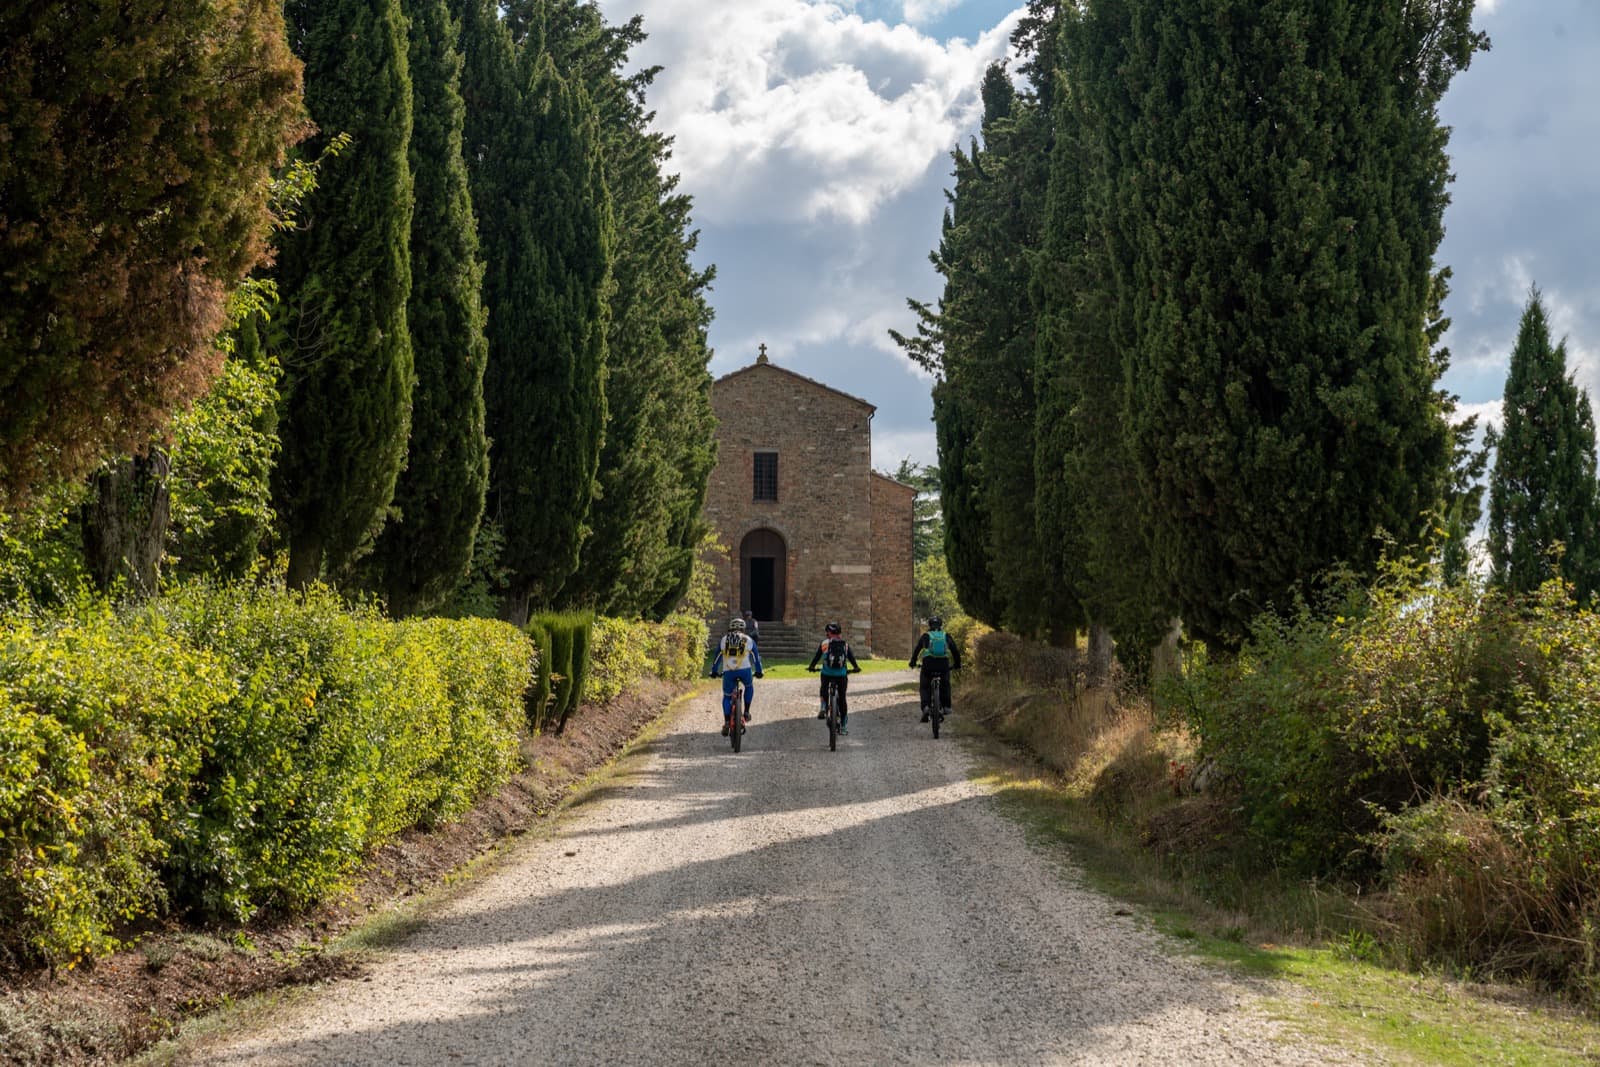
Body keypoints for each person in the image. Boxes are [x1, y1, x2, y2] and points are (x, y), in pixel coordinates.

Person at [710, 617, 763, 737]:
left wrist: (714, 671)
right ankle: (746, 712)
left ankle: (727, 721)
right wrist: (759, 671)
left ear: (730, 628)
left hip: (728, 671)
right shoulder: (748, 639)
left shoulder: (724, 639)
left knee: (727, 696)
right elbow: (756, 658)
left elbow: (717, 657)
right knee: (749, 686)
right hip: (745, 670)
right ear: (743, 628)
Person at [806, 622, 861, 733]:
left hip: (827, 673)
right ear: (839, 633)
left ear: (829, 633)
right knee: (842, 698)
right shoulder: (845, 645)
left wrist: (811, 667)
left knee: (824, 688)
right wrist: (856, 668)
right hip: (841, 675)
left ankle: (823, 706)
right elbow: (851, 658)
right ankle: (844, 726)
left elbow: (817, 657)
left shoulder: (824, 643)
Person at [909, 615, 960, 723]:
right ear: (941, 625)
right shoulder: (946, 636)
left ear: (929, 625)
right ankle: (946, 706)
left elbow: (917, 650)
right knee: (945, 684)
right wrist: (957, 664)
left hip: (928, 664)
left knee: (924, 686)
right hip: (943, 665)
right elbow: (955, 651)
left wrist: (913, 662)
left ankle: (926, 707)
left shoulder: (926, 636)